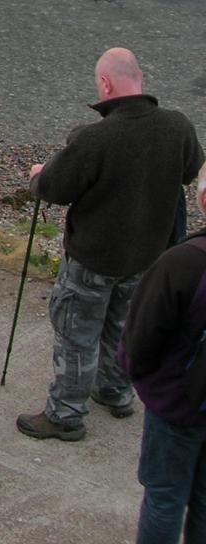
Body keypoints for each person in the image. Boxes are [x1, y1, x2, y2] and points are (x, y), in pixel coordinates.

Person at [16, 47, 203, 443]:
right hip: (150, 255)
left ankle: (66, 414)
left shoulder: (95, 137)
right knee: (123, 324)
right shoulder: (179, 127)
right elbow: (190, 173)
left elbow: (53, 188)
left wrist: (38, 174)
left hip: (94, 258)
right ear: (141, 79)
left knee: (76, 332)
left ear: (105, 83)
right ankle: (116, 391)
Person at [122, 173, 206, 544]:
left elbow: (141, 339)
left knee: (165, 497)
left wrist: (138, 377)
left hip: (179, 405)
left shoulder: (183, 263)